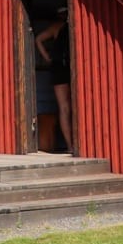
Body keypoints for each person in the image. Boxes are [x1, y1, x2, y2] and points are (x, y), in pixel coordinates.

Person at [33, 15, 73, 152]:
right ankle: (72, 145)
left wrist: (48, 58)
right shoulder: (68, 25)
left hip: (59, 68)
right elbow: (37, 40)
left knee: (64, 108)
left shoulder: (56, 27)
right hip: (68, 66)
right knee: (70, 107)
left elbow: (38, 39)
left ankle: (70, 146)